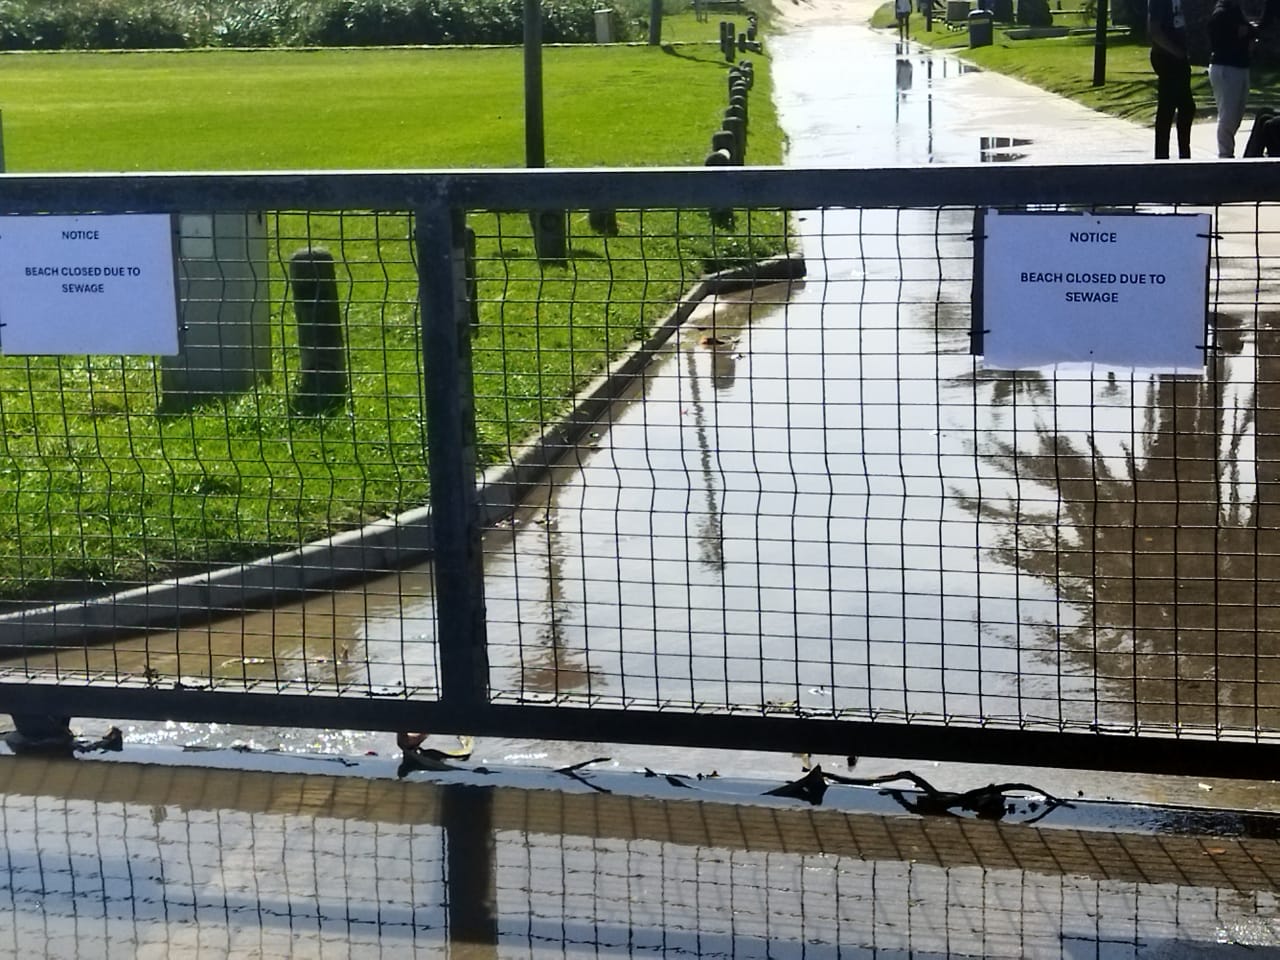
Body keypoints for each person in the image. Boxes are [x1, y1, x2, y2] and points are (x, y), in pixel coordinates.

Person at [1208, 0, 1258, 157]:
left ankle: (1227, 151)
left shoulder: (1236, 10)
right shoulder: (1221, 13)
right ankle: (1225, 153)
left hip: (1241, 66)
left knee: (1237, 113)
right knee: (1228, 114)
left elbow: (1250, 31)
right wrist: (1243, 33)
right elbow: (1221, 39)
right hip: (1226, 68)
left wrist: (1248, 34)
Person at [1148, 0, 1196, 158]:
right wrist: (1176, 51)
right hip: (1166, 57)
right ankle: (1162, 155)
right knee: (1168, 107)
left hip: (1179, 56)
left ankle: (1183, 152)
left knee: (1186, 107)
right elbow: (1155, 31)